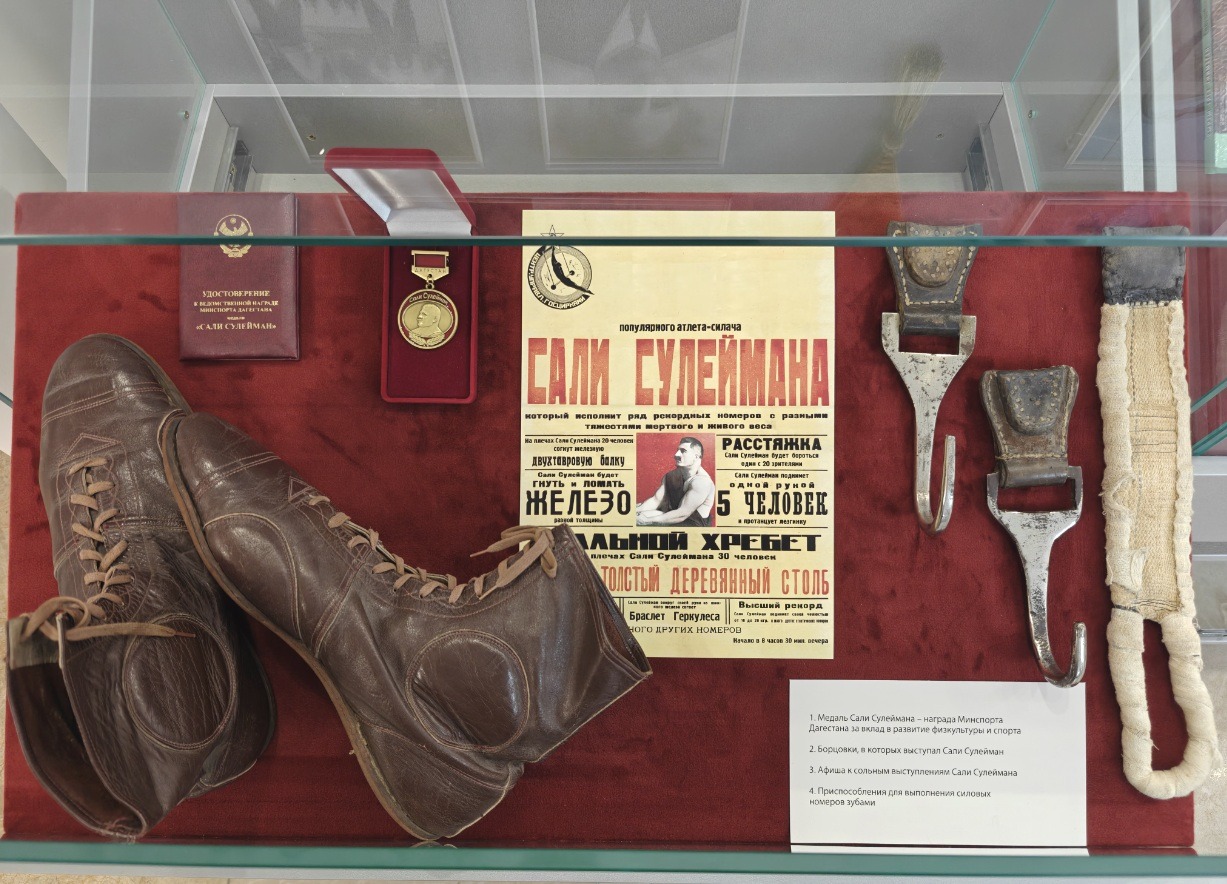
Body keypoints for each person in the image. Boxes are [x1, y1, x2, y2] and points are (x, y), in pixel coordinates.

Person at [636, 436, 715, 526]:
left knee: (644, 521)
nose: (676, 454)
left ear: (696, 456)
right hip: (675, 520)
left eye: (683, 451)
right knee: (635, 516)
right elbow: (656, 500)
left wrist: (647, 520)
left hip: (693, 527)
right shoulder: (671, 476)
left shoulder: (703, 482)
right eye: (677, 450)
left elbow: (682, 514)